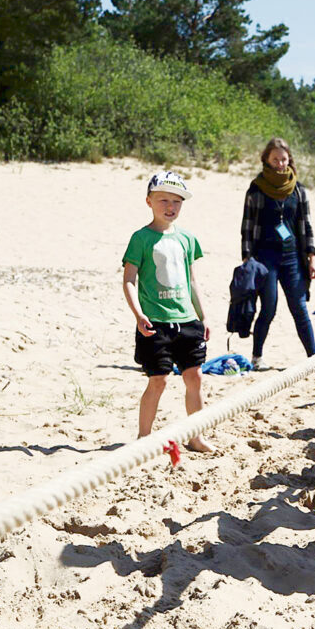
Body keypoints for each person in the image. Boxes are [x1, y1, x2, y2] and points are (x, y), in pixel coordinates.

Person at [122, 171, 214, 452]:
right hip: (156, 322)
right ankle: (143, 438)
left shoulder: (187, 238)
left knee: (194, 377)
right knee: (158, 380)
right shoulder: (141, 238)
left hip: (187, 320)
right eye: (163, 200)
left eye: (177, 201)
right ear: (149, 201)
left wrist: (203, 316)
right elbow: (129, 280)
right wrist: (138, 315)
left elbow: (192, 280)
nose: (170, 206)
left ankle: (196, 436)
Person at [240, 138, 315, 370]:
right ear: (266, 159)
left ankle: (314, 358)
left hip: (293, 257)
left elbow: (306, 225)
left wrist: (312, 257)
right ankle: (257, 357)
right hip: (265, 258)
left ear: (289, 159)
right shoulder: (256, 189)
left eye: (283, 159)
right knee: (269, 308)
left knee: (299, 308)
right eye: (275, 159)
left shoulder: (298, 189)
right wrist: (247, 258)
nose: (280, 164)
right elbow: (247, 226)